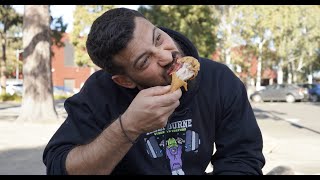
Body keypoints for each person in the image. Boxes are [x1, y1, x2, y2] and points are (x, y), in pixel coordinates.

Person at [43, 7, 265, 175]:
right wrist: (127, 127)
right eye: (144, 61)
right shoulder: (99, 92)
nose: (167, 56)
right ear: (125, 81)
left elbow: (242, 158)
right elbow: (59, 166)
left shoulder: (219, 79)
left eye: (158, 38)